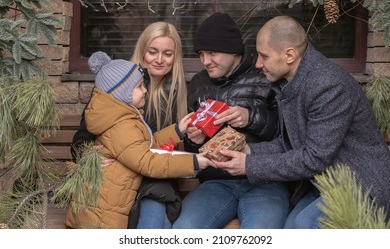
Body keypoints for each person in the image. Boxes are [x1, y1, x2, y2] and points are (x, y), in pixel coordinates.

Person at [211, 15, 390, 228]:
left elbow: (314, 157)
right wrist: (249, 151)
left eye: (264, 56)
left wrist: (249, 165)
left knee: (300, 229)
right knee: (291, 228)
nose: (258, 64)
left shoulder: (327, 86)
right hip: (325, 182)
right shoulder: (295, 80)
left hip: (360, 186)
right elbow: (292, 143)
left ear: (289, 55)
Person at [64, 52, 211, 229]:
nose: (145, 90)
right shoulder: (121, 126)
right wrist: (194, 161)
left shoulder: (123, 116)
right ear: (124, 93)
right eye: (140, 86)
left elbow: (147, 143)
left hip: (110, 203)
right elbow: (147, 162)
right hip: (104, 214)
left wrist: (177, 130)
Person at [172, 12, 290, 229]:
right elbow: (192, 149)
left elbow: (288, 136)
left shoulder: (267, 75)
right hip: (216, 182)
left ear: (233, 51)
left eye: (212, 53)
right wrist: (194, 140)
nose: (205, 61)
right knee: (184, 230)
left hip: (264, 181)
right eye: (200, 54)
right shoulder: (199, 83)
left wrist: (251, 117)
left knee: (261, 232)